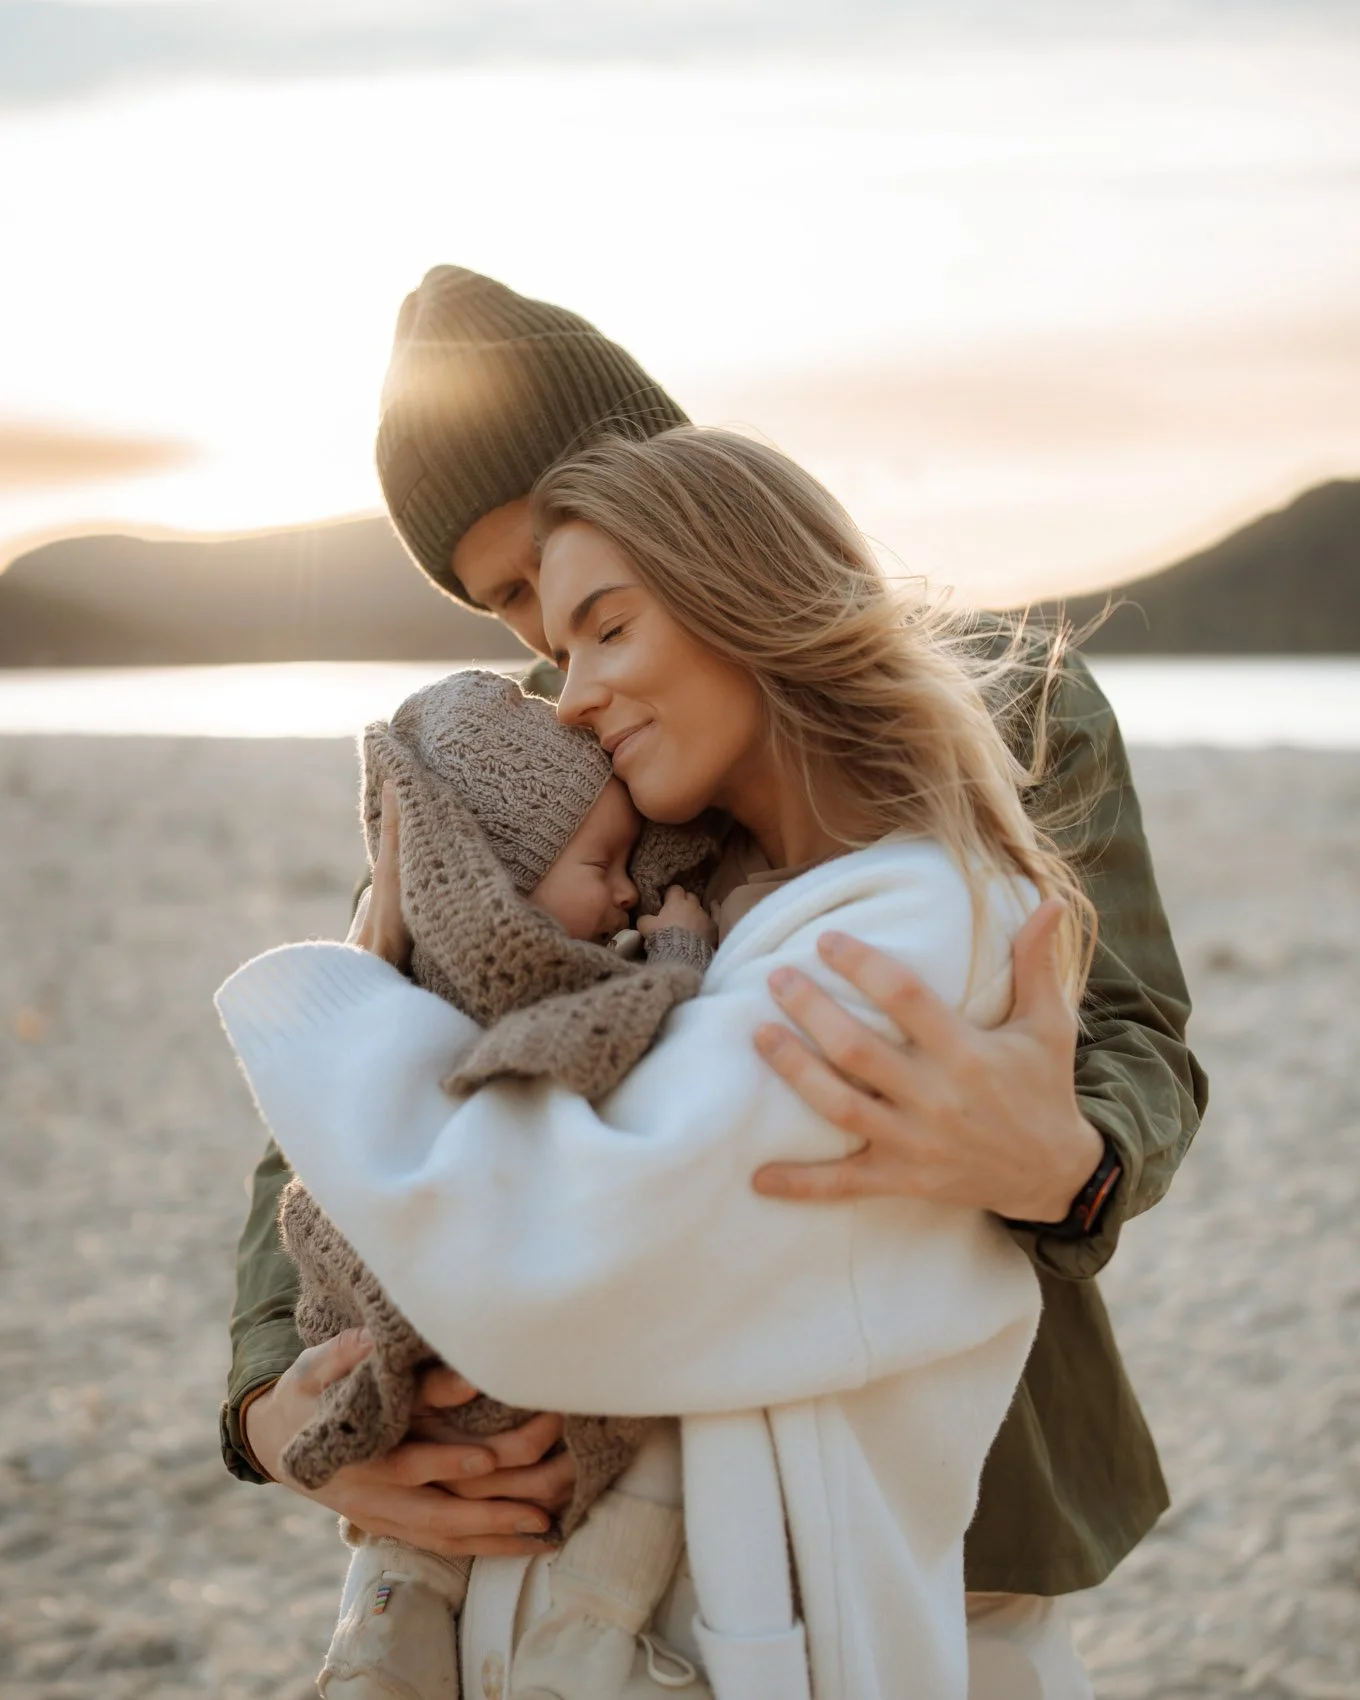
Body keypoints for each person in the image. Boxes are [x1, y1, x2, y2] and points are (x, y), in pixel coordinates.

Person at [222, 268, 1206, 1697]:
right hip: (614, 1459)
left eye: (584, 570)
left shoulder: (1013, 705)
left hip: (952, 1455)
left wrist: (1075, 1162)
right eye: (513, 599)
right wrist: (272, 1403)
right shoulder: (544, 778)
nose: (549, 648)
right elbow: (379, 1050)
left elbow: (1131, 1028)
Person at [280, 666, 719, 1698]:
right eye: (601, 863)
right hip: (482, 1329)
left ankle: (385, 1624)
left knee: (421, 1513)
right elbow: (647, 1038)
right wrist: (681, 947)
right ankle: (588, 1631)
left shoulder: (395, 973)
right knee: (645, 1440)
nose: (621, 890)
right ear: (500, 882)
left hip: (402, 1353)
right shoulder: (529, 985)